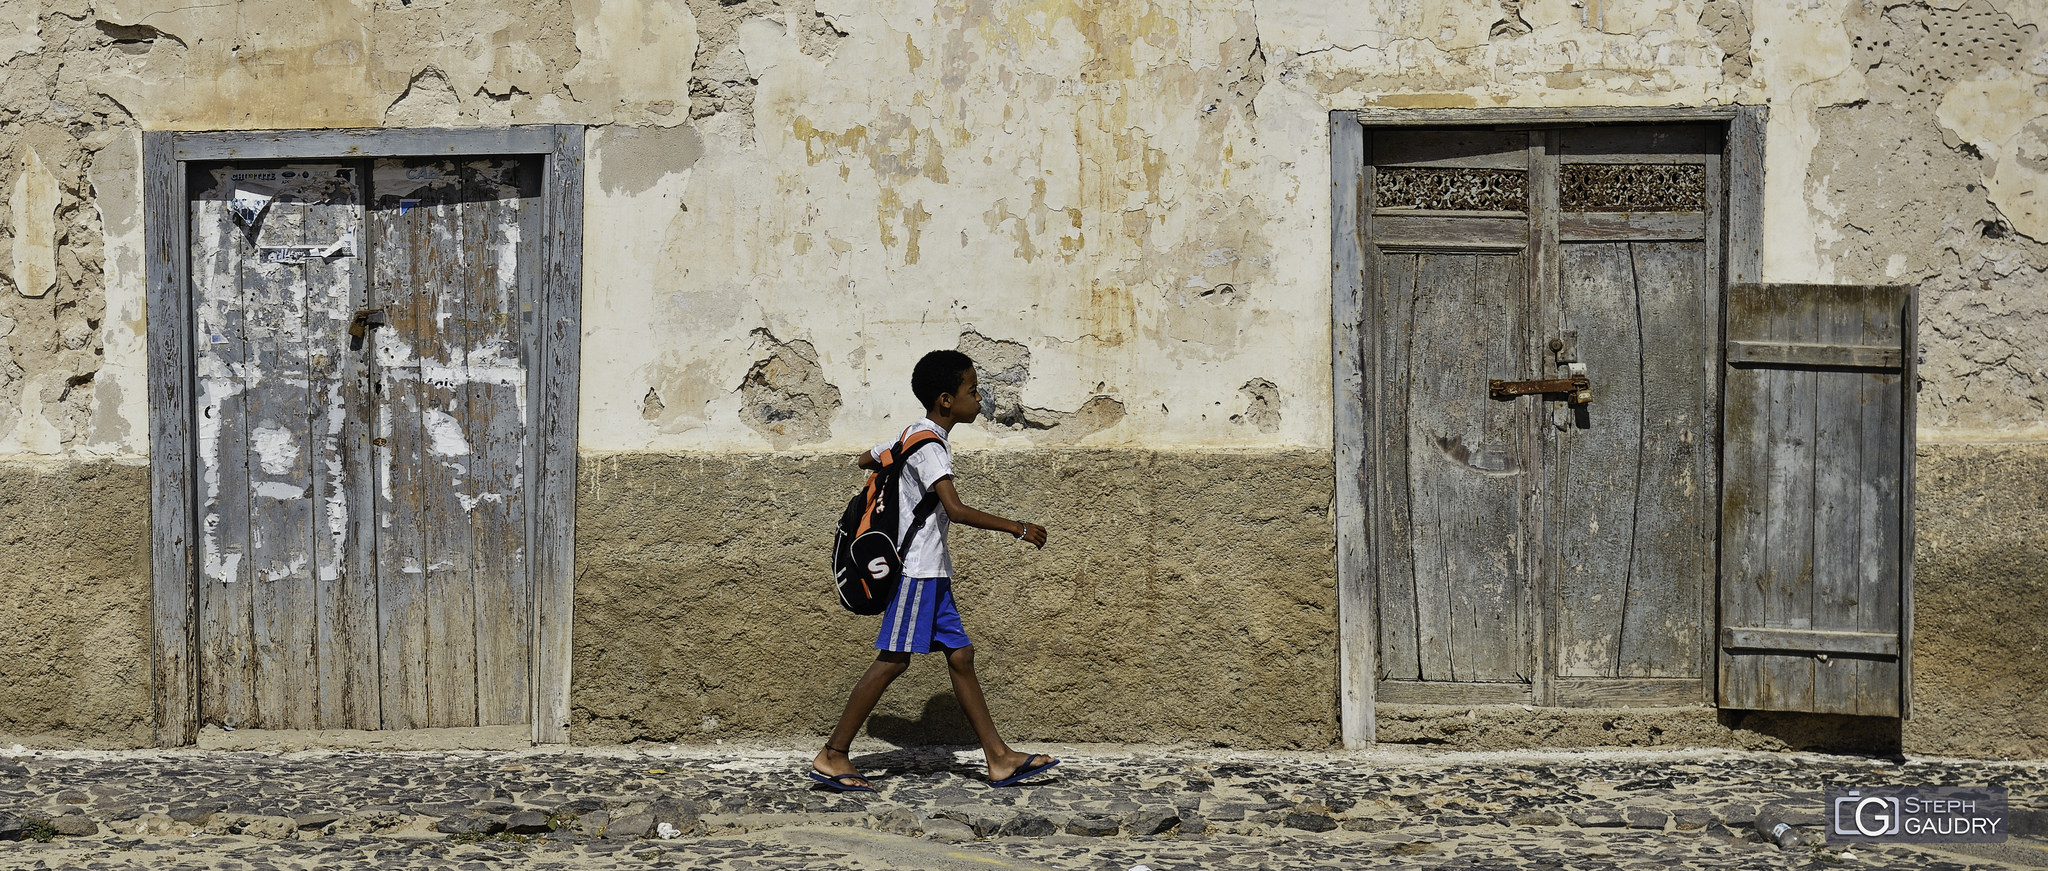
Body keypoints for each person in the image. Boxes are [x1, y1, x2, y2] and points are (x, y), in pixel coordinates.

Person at [807, 349, 1057, 792]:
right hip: (916, 571)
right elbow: (955, 511)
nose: (980, 399)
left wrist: (892, 470)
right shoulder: (931, 447)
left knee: (960, 656)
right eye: (972, 391)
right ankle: (833, 754)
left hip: (933, 572)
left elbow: (868, 459)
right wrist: (1018, 528)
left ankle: (998, 759)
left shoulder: (913, 435)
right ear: (946, 399)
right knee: (893, 661)